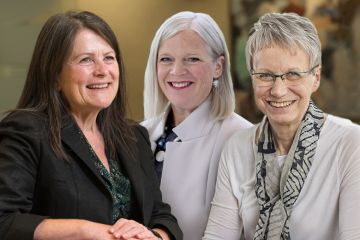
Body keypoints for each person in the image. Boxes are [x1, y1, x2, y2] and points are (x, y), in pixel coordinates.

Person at [0, 11, 182, 240]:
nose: (102, 70)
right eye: (86, 59)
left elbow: (161, 215)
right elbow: (4, 221)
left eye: (109, 57)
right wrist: (87, 230)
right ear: (54, 75)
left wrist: (152, 236)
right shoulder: (26, 130)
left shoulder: (133, 135)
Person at [203, 12, 360, 240]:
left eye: (293, 74)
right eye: (265, 75)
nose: (278, 90)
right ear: (252, 78)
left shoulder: (351, 144)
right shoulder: (237, 147)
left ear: (315, 77)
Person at [142, 11, 252, 240]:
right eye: (166, 59)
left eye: (192, 59)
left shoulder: (243, 138)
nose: (177, 71)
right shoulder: (138, 134)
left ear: (218, 66)